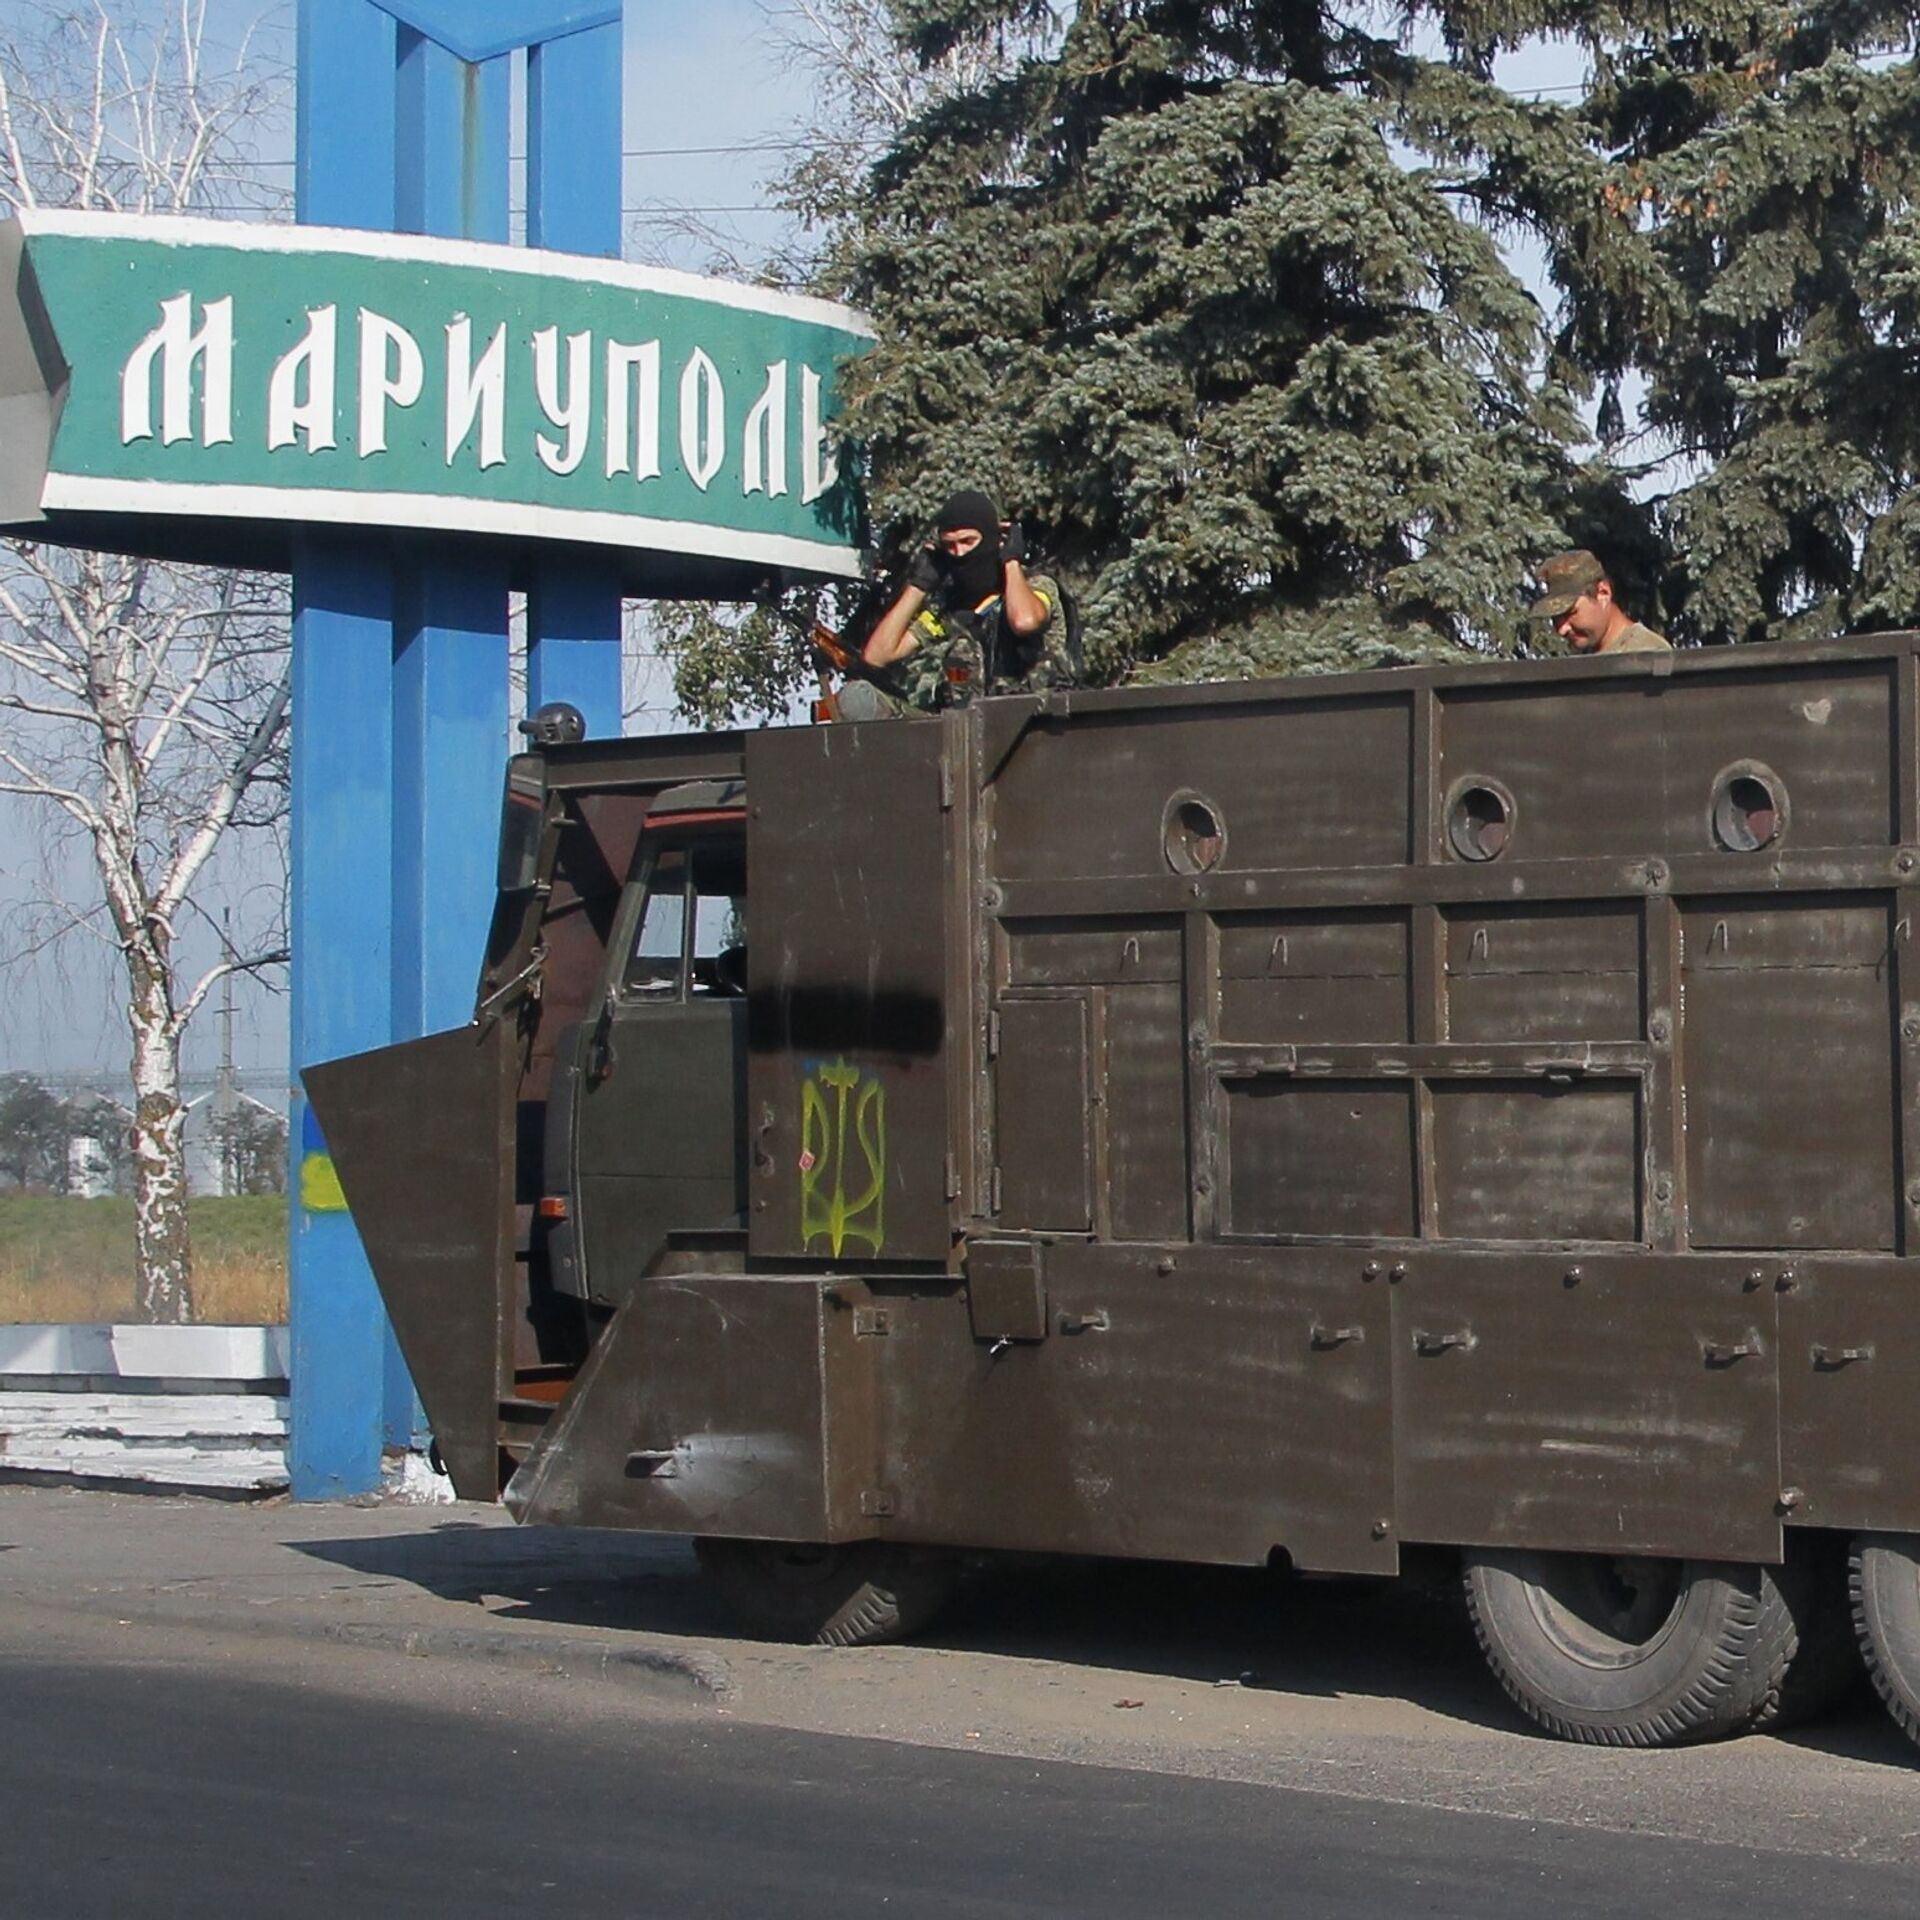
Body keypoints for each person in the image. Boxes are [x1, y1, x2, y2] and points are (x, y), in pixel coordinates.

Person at [838, 490, 1073, 718]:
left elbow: (1025, 621)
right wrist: (919, 584)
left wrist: (1011, 560)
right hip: (970, 735)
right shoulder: (949, 608)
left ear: (993, 539)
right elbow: (878, 655)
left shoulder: (1037, 587)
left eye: (968, 541)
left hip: (1038, 727)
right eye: (949, 545)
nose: (959, 553)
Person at [1530, 550, 1670, 654]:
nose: (1561, 629)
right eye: (1556, 618)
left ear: (1603, 593)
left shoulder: (1648, 655)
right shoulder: (1587, 658)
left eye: (1570, 613)